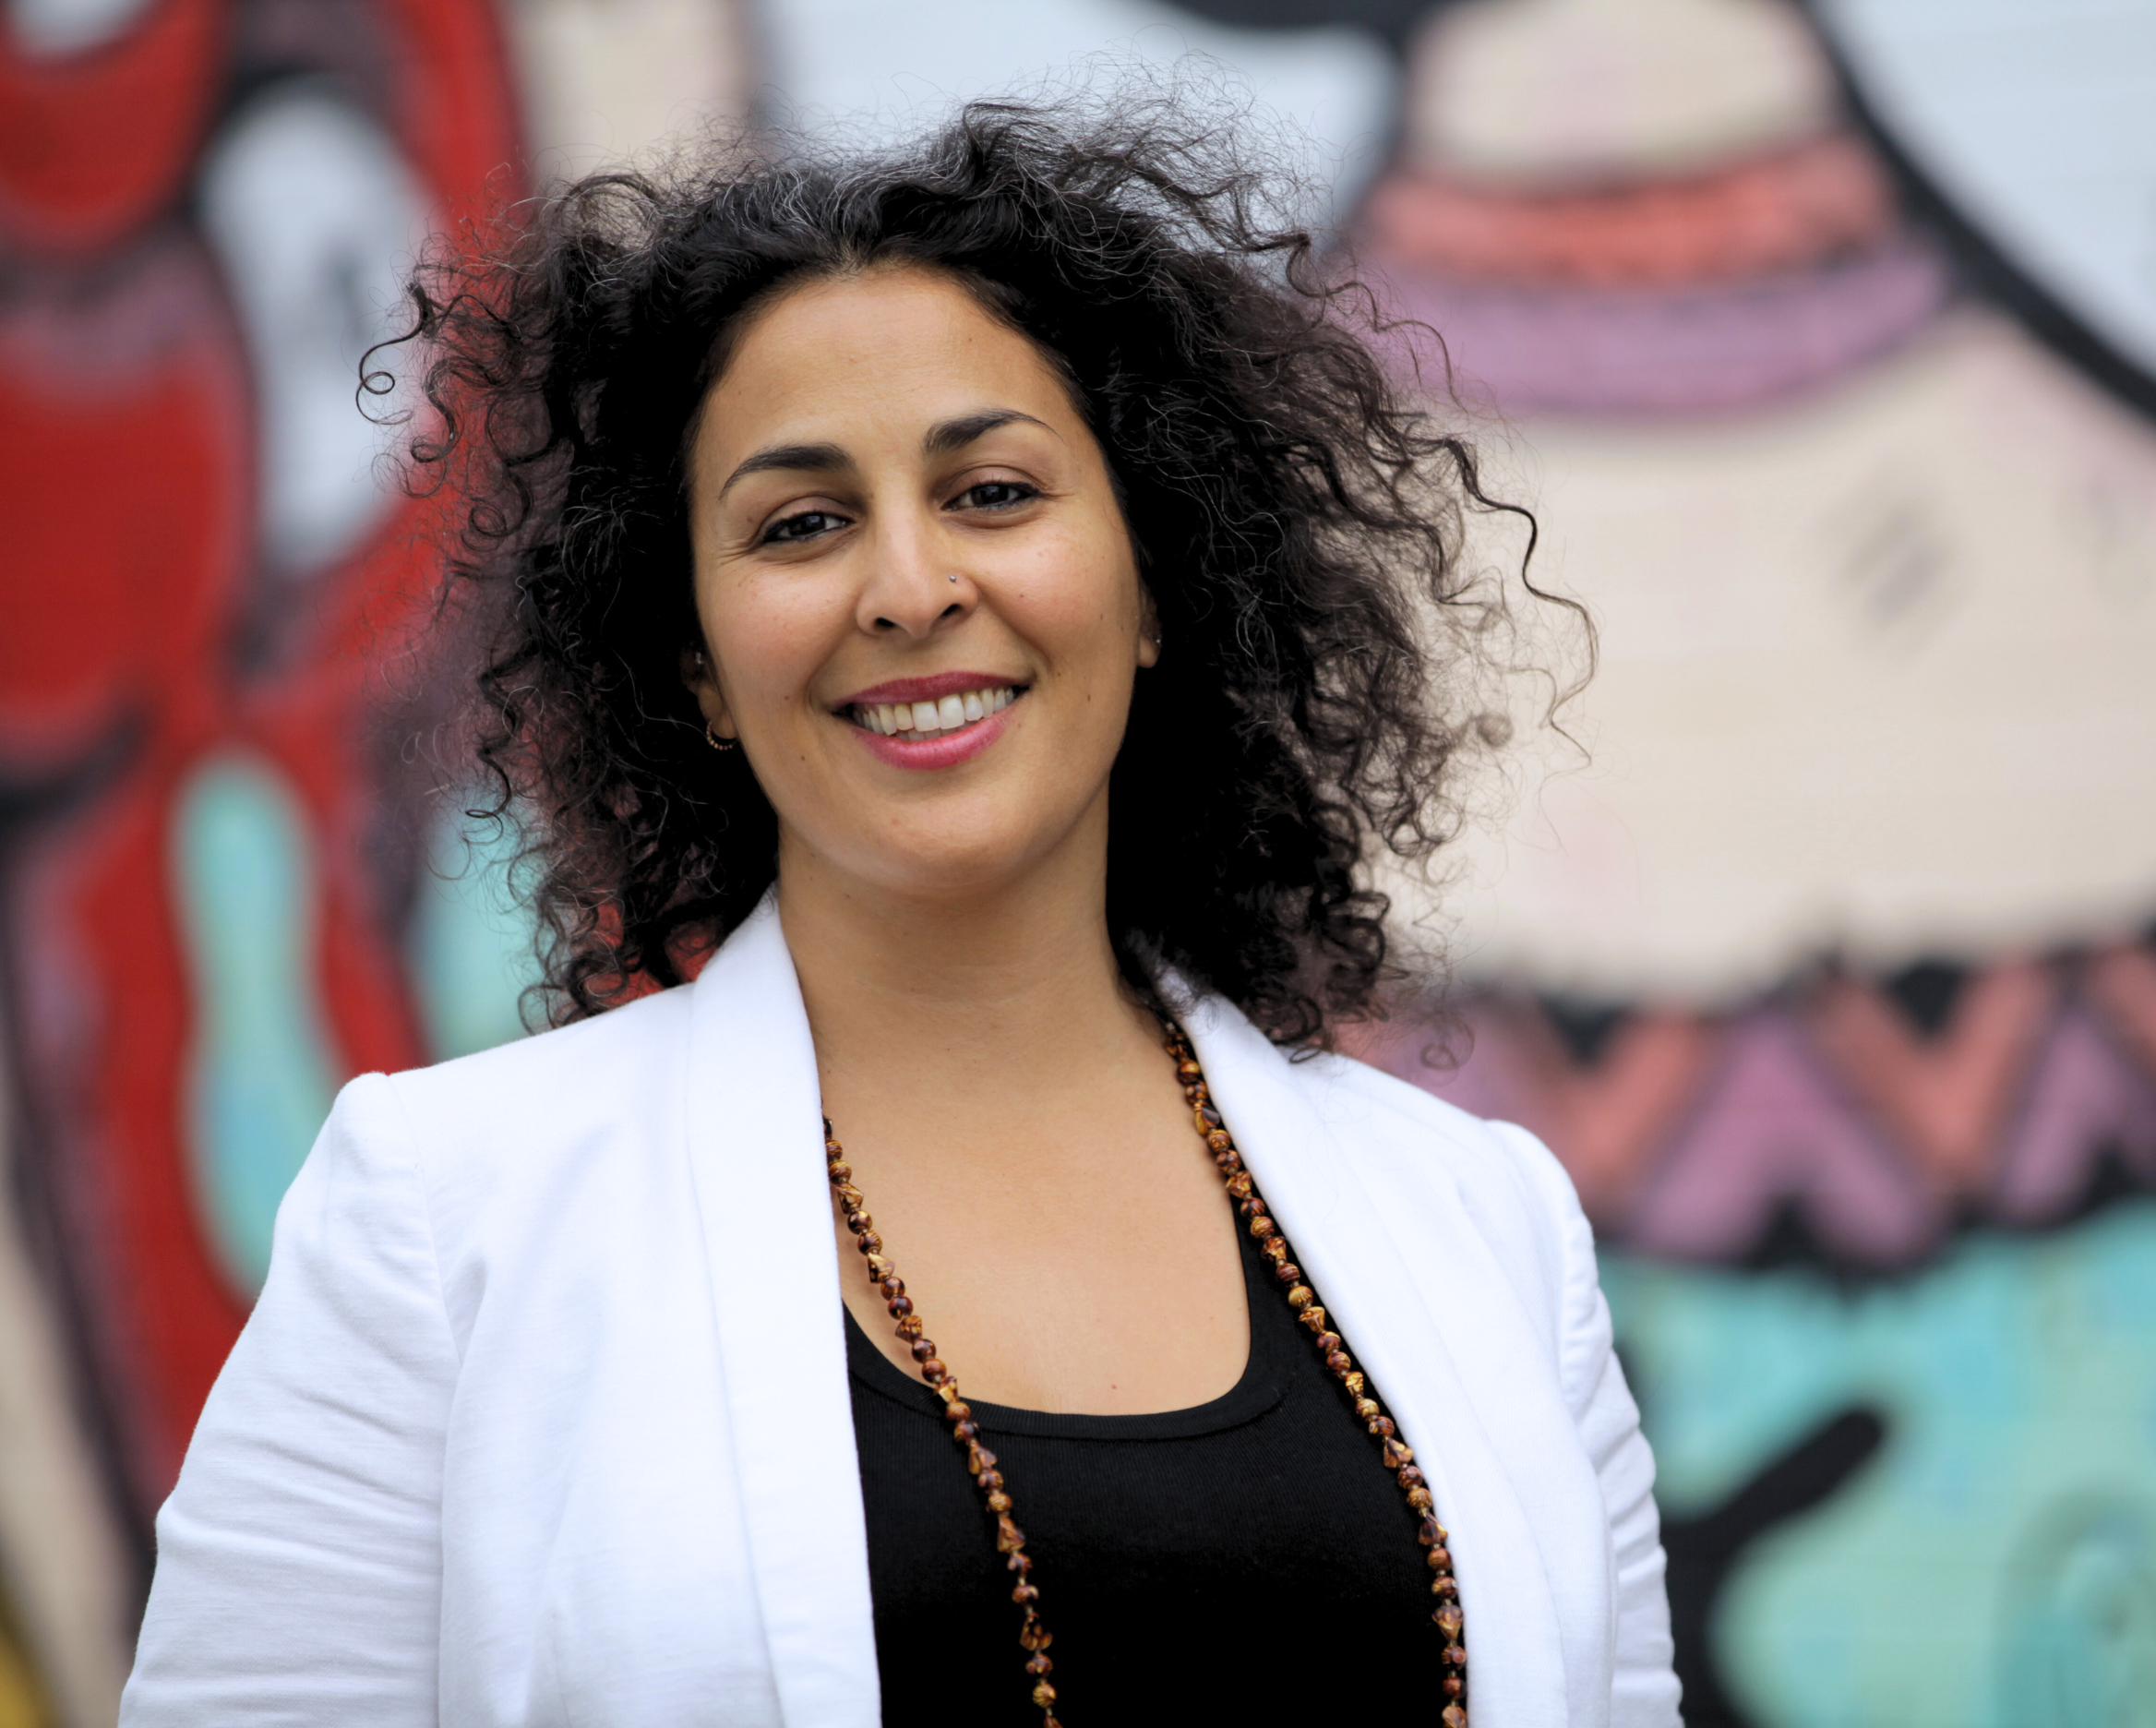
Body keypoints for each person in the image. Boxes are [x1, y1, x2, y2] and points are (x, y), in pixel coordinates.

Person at [121, 101, 1678, 1728]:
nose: (911, 586)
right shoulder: (442, 1225)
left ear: (1154, 583)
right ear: (698, 670)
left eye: (995, 492)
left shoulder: (1487, 1229)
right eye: (800, 523)